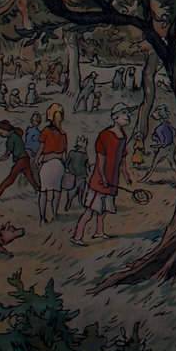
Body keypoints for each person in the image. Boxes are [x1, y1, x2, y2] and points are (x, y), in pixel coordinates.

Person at [72, 104, 130, 246]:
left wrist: (126, 173)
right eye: (124, 113)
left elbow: (122, 158)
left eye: (127, 113)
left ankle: (99, 231)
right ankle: (77, 235)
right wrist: (103, 177)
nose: (127, 116)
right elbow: (101, 159)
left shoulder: (123, 136)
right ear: (115, 117)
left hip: (113, 179)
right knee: (91, 209)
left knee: (103, 209)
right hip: (101, 179)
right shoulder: (104, 135)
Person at [36, 103, 68, 223]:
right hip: (58, 165)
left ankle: (42, 217)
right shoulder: (63, 134)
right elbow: (64, 154)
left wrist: (37, 160)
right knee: (57, 192)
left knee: (43, 192)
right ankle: (54, 214)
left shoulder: (45, 131)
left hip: (46, 165)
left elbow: (41, 148)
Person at [0, 120, 39, 200]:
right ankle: (39, 190)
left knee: (10, 179)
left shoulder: (10, 139)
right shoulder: (16, 135)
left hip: (21, 160)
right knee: (30, 177)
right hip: (26, 159)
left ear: (6, 130)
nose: (1, 135)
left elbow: (6, 156)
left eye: (0, 133)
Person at [148, 105, 176, 173]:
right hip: (172, 146)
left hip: (165, 148)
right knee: (172, 162)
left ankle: (146, 178)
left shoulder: (159, 129)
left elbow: (162, 143)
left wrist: (155, 143)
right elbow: (175, 132)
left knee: (154, 164)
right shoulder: (168, 124)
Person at [63, 137, 89, 211]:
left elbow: (66, 163)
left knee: (74, 191)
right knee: (79, 191)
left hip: (77, 176)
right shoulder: (84, 155)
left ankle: (72, 203)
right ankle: (76, 203)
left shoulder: (72, 153)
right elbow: (87, 166)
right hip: (78, 176)